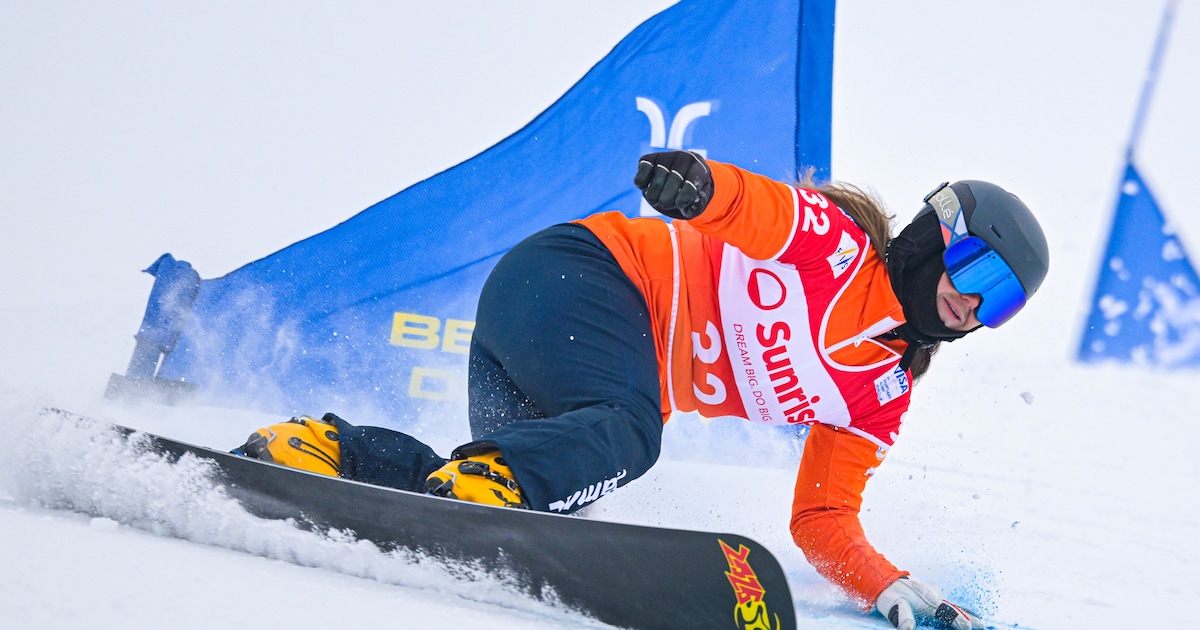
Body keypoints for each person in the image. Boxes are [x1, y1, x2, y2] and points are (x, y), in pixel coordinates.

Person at [234, 151, 1048, 630]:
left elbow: (823, 520)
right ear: (934, 237)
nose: (974, 304)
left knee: (517, 490)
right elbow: (760, 211)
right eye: (978, 270)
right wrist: (701, 188)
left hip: (542, 347)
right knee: (630, 435)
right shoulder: (835, 252)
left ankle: (325, 450)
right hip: (580, 274)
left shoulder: (879, 393)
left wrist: (888, 585)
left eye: (1001, 302)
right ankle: (489, 483)